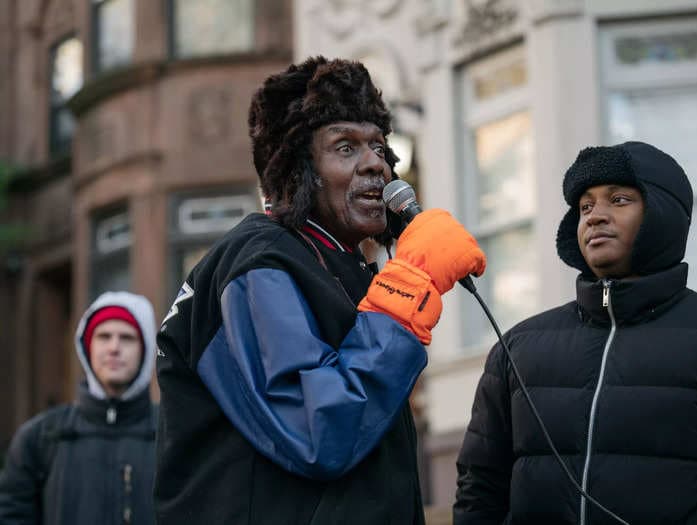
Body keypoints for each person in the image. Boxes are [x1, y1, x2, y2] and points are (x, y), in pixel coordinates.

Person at [154, 56, 486, 525]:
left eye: (378, 145)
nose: (376, 163)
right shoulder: (258, 264)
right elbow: (318, 430)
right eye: (346, 147)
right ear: (294, 174)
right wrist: (409, 287)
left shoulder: (337, 264)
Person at [453, 141, 697, 524]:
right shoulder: (518, 348)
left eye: (618, 200)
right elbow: (480, 488)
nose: (595, 216)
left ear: (662, 213)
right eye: (585, 207)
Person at [0, 291, 158, 525]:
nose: (114, 347)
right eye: (104, 336)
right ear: (87, 347)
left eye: (127, 338)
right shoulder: (39, 437)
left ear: (145, 348)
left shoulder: (173, 434)